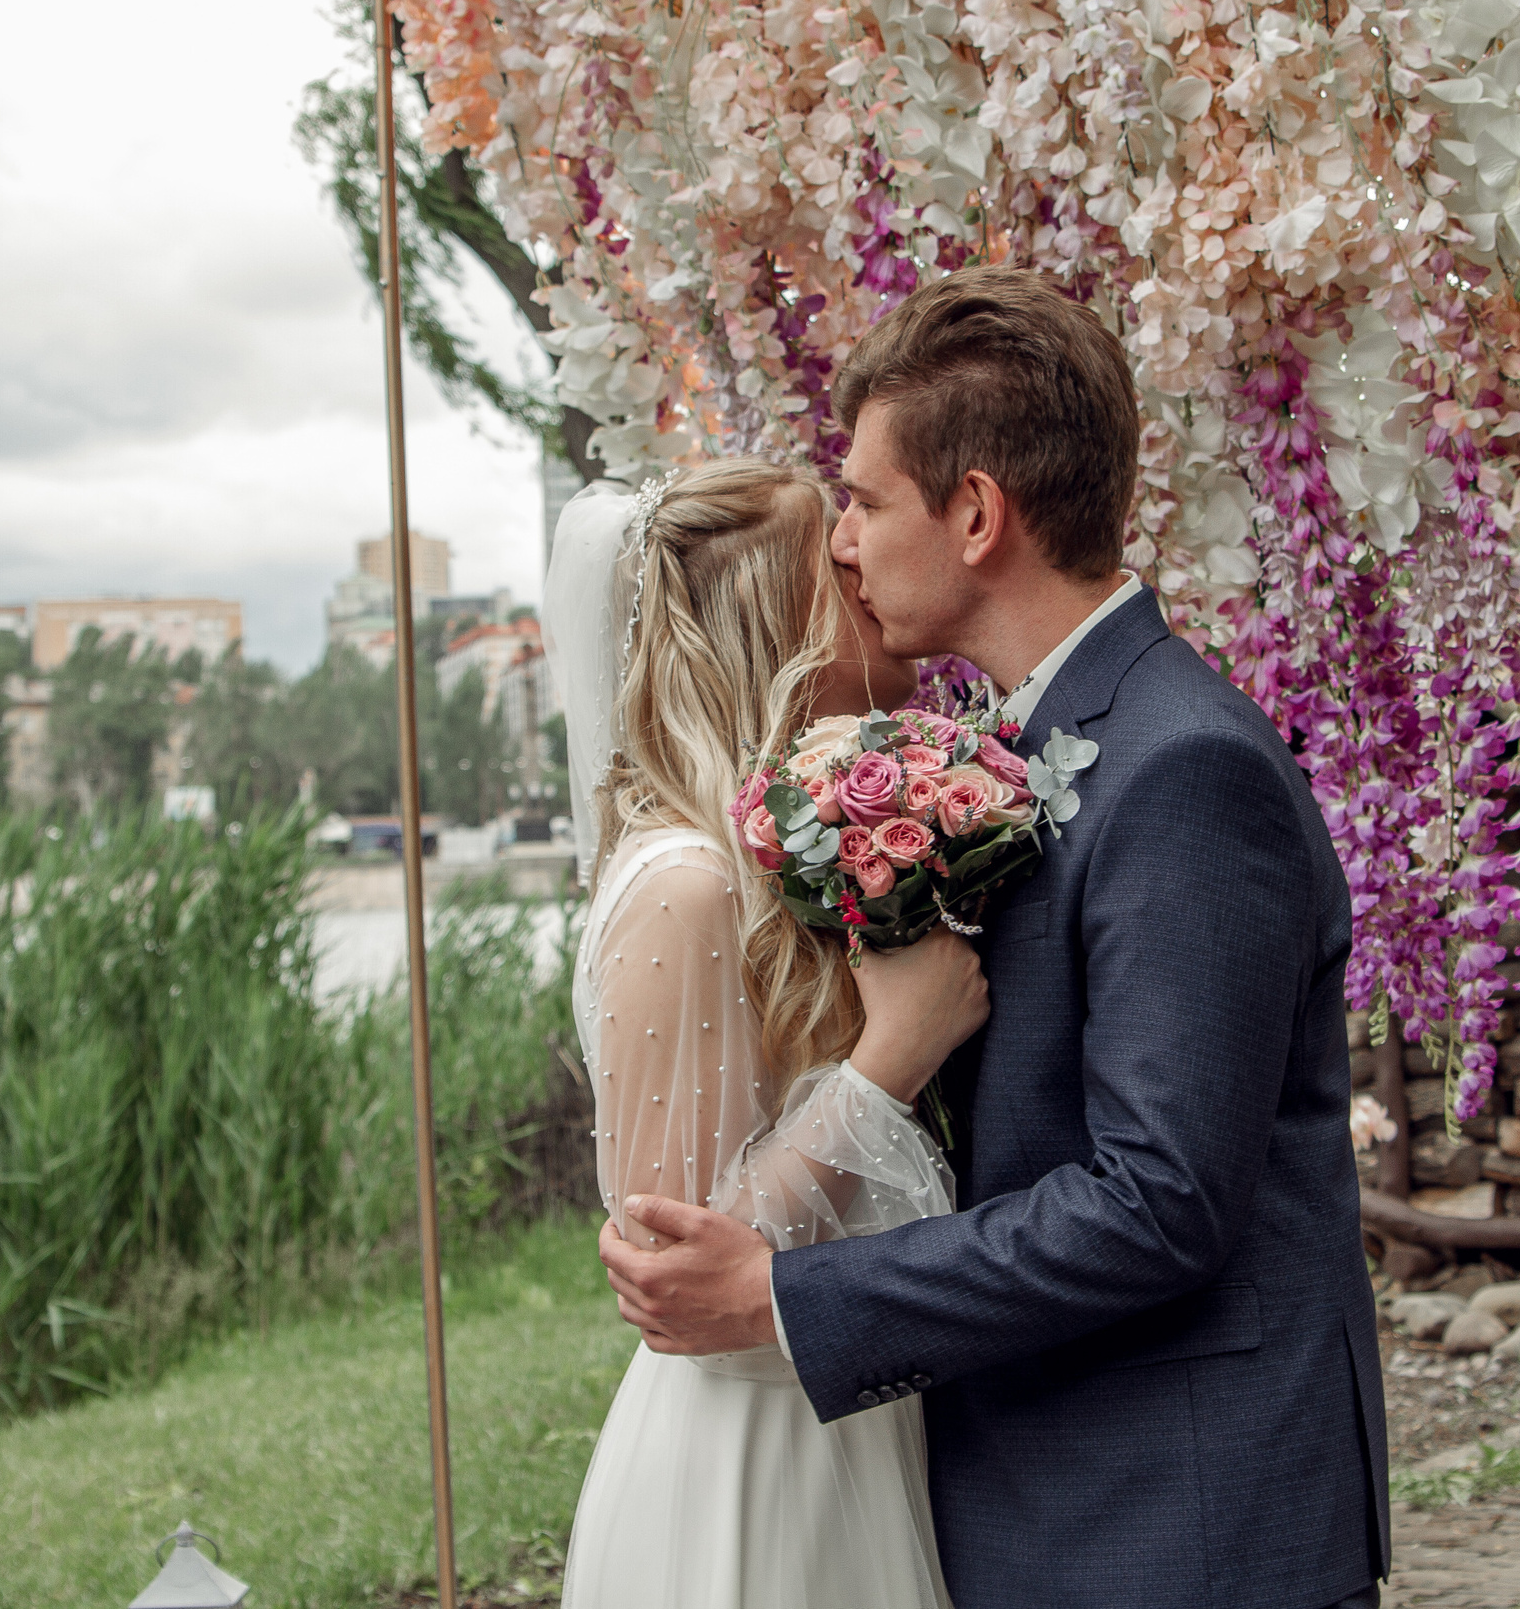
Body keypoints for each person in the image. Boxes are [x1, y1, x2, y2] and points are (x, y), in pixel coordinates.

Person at [596, 269, 1390, 1609]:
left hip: (1176, 1524)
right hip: (1046, 1500)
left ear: (974, 514)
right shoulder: (1019, 752)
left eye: (861, 500)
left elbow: (1158, 1200)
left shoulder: (1186, 767)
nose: (839, 542)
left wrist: (796, 1297)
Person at [542, 454, 990, 1609]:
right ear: (777, 627)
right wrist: (892, 1058)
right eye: (834, 570)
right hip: (750, 1472)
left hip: (846, 1429)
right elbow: (683, 1274)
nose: (867, 567)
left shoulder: (775, 861)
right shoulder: (682, 885)